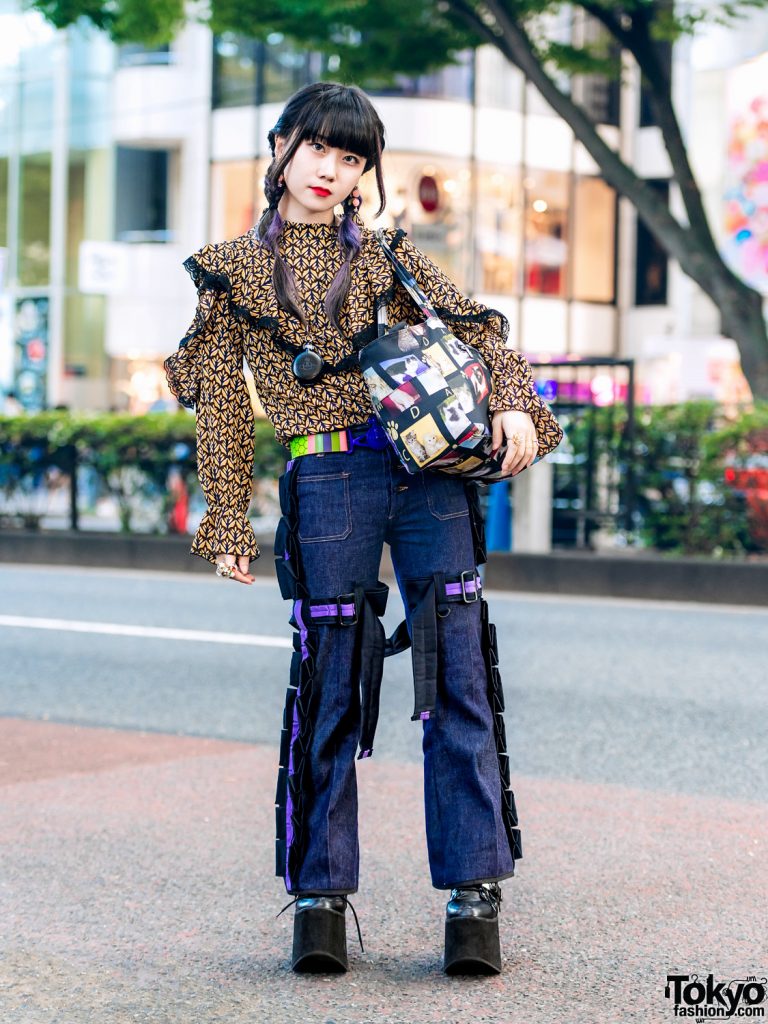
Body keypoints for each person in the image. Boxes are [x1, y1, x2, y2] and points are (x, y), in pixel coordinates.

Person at [164, 82, 562, 976]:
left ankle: (473, 898)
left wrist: (522, 407)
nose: (331, 171)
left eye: (352, 160)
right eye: (318, 149)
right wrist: (228, 514)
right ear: (280, 146)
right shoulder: (229, 267)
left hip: (425, 476)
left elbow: (481, 332)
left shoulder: (390, 255)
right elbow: (222, 403)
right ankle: (319, 899)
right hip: (326, 472)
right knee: (328, 688)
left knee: (458, 674)